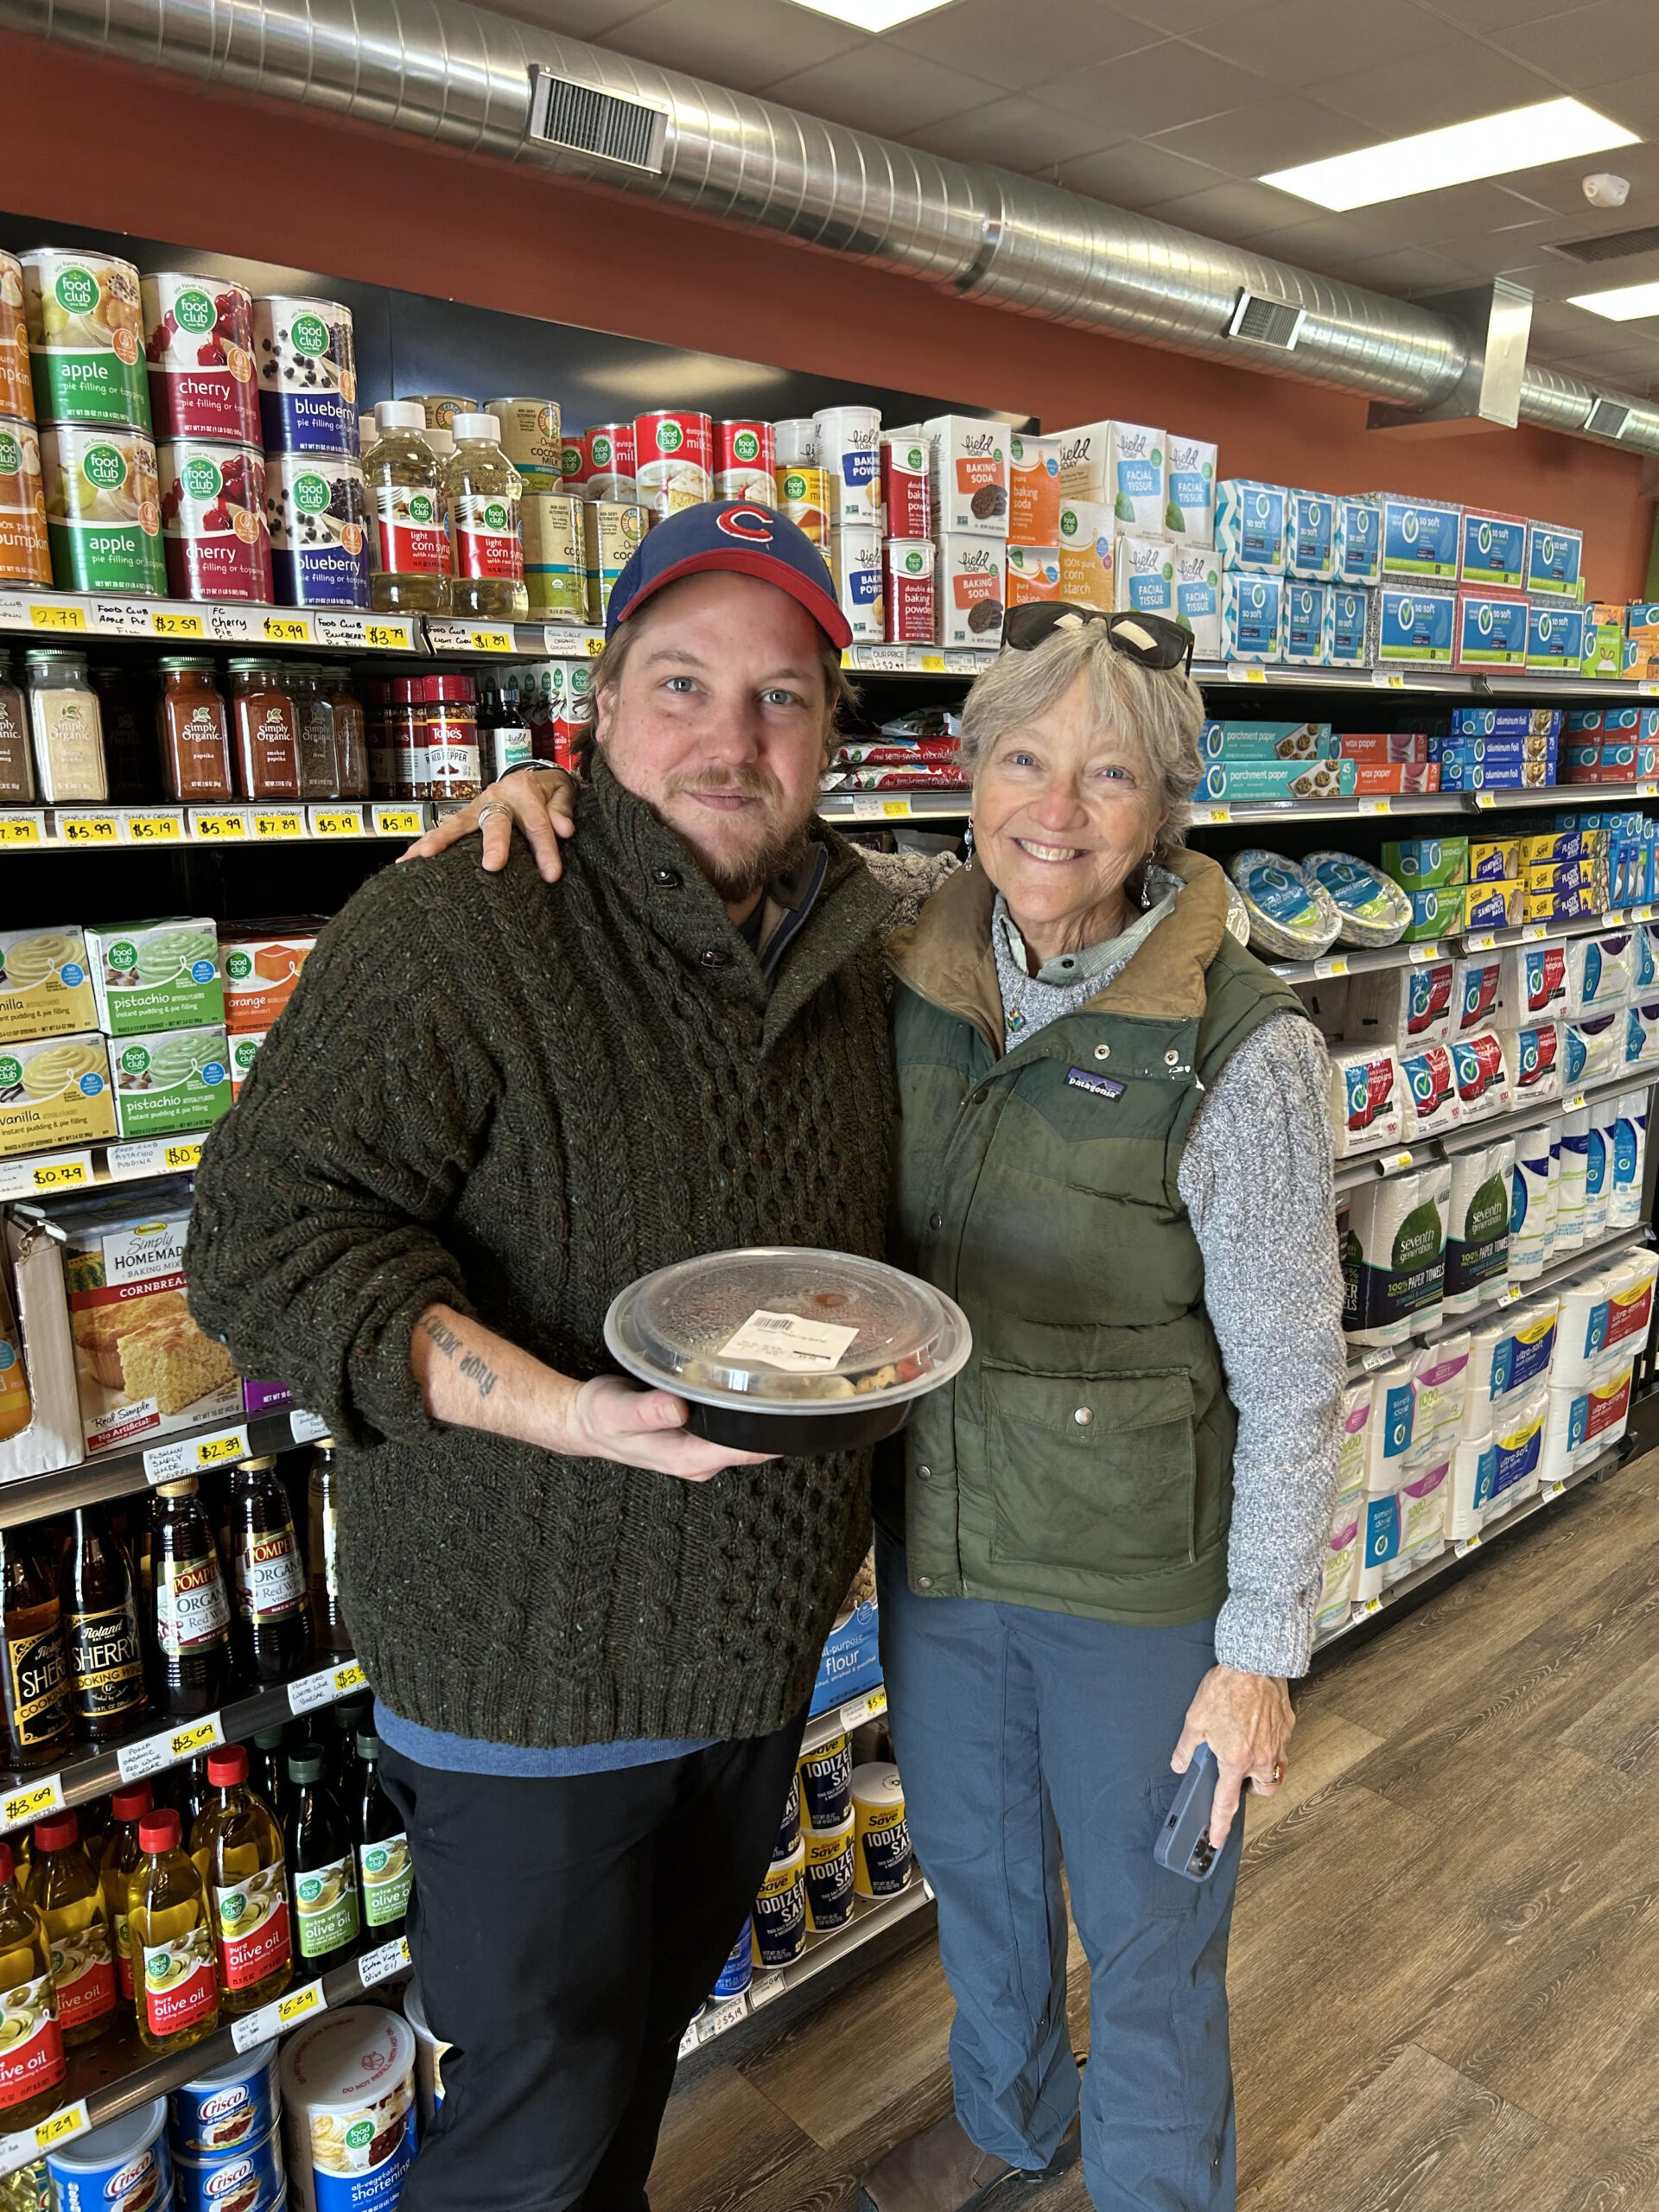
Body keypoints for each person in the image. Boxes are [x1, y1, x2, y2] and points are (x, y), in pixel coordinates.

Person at [423, 601, 1344, 2212]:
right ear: (970, 771)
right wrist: (550, 788)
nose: (1057, 810)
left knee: (1146, 1945)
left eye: (1111, 777)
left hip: (1139, 1592)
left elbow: (1293, 1368)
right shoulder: (912, 945)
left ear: (1165, 811)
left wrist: (1260, 1652)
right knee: (982, 1894)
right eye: (1026, 759)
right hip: (940, 1557)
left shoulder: (1238, 1047)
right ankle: (1010, 2131)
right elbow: (724, 817)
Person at [185, 501, 908, 2212]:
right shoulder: (472, 918)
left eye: (783, 696)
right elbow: (261, 1240)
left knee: (625, 2071)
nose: (729, 739)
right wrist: (562, 1406)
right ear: (593, 706)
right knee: (530, 2136)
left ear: (830, 734)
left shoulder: (865, 950)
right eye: (683, 682)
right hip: (532, 1678)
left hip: (750, 1664)